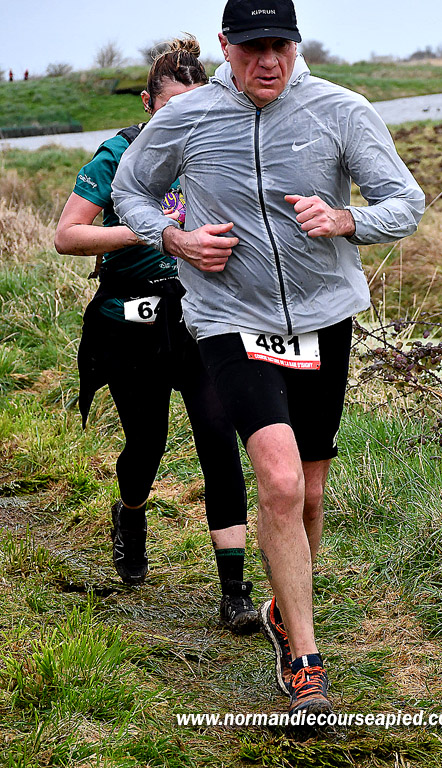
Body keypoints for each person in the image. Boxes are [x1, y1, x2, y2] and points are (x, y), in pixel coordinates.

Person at [112, 0, 425, 716]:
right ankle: (305, 660)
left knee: (310, 493)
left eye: (280, 46)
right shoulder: (188, 116)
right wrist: (175, 237)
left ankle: (287, 608)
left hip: (323, 318)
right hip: (228, 319)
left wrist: (347, 219)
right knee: (280, 483)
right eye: (253, 48)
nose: (268, 61)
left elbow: (404, 203)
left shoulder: (340, 110)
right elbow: (131, 192)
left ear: (295, 44)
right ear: (225, 47)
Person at [54, 36, 259, 635]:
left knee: (219, 441)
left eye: (195, 108)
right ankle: (131, 511)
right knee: (146, 446)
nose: (184, 120)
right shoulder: (118, 154)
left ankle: (234, 591)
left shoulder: (214, 149)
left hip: (201, 317)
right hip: (131, 323)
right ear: (148, 104)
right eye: (171, 109)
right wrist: (151, 230)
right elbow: (67, 236)